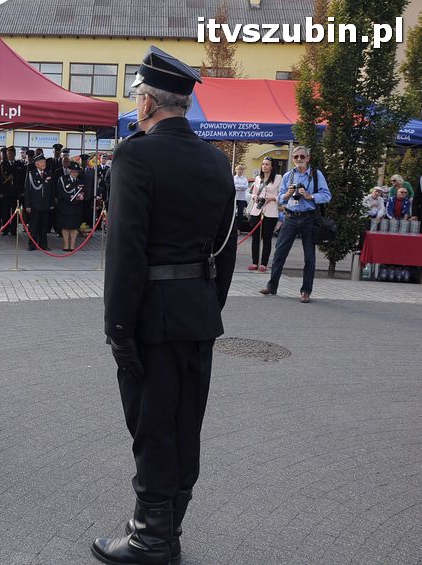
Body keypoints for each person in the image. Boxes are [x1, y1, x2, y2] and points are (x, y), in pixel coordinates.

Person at [94, 46, 236, 565]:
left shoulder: (136, 154)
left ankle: (150, 540)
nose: (135, 105)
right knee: (184, 423)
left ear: (150, 102)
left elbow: (125, 249)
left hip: (151, 316)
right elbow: (227, 246)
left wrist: (117, 327)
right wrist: (206, 304)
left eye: (137, 96)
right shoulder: (217, 161)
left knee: (152, 425)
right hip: (198, 314)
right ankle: (168, 530)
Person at [259, 145, 331, 303]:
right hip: (290, 217)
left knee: (309, 257)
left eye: (302, 157)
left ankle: (306, 291)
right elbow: (280, 197)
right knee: (279, 253)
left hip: (309, 219)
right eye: (296, 157)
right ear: (292, 159)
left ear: (308, 158)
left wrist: (310, 196)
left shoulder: (316, 175)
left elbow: (327, 195)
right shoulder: (287, 175)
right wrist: (287, 194)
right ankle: (272, 286)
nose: (299, 159)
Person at [247, 157, 281, 272]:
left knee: (267, 238)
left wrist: (272, 198)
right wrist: (255, 197)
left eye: (267, 164)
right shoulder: (258, 178)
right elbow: (253, 193)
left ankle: (264, 264)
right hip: (257, 210)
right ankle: (254, 262)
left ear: (272, 166)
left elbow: (281, 195)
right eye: (263, 164)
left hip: (270, 212)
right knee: (255, 237)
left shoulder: (278, 178)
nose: (264, 166)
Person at [24, 154, 54, 251]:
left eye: (44, 162)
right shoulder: (31, 174)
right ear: (36, 164)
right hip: (35, 204)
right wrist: (27, 205)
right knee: (33, 226)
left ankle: (43, 244)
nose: (43, 164)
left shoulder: (48, 173)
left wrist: (51, 203)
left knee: (44, 226)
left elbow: (51, 191)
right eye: (41, 162)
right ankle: (32, 245)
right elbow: (27, 190)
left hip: (45, 204)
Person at [57, 162, 85, 251]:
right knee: (65, 226)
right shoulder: (63, 179)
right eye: (73, 172)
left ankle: (72, 245)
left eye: (77, 172)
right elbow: (60, 192)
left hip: (76, 207)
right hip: (65, 206)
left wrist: (82, 196)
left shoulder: (80, 181)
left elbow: (84, 191)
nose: (75, 174)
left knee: (74, 226)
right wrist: (70, 196)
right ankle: (66, 245)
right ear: (69, 171)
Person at [233, 164, 250, 231]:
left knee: (240, 214)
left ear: (242, 171)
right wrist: (240, 187)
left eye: (241, 169)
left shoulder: (245, 179)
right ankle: (232, 228)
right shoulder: (233, 178)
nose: (239, 171)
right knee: (233, 214)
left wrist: (237, 186)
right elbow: (233, 186)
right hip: (235, 198)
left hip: (242, 198)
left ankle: (238, 228)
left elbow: (245, 187)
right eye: (238, 169)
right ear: (235, 170)